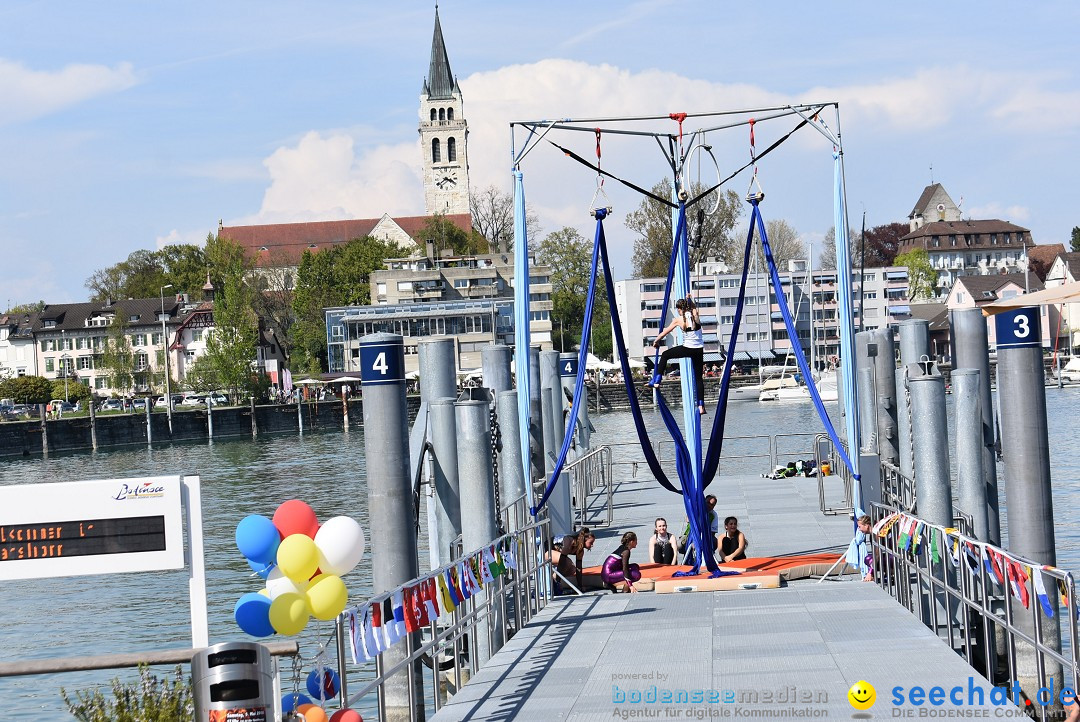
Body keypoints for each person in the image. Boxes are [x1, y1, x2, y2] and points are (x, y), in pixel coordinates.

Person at [648, 293, 707, 415]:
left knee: (665, 355)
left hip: (687, 348)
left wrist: (656, 341)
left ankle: (657, 380)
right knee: (698, 379)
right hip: (699, 350)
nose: (678, 312)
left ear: (680, 309)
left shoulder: (678, 320)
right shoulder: (696, 314)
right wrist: (689, 299)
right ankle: (701, 406)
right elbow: (694, 307)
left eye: (678, 310)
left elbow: (665, 332)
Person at [680, 495, 720, 566]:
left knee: (714, 542)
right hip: (690, 535)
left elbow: (712, 532)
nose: (709, 505)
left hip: (706, 536)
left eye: (712, 505)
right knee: (679, 544)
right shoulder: (695, 510)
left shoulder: (713, 515)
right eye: (708, 503)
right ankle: (688, 560)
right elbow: (688, 519)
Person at [856, 514, 874, 582]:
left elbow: (877, 555)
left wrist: (870, 572)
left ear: (866, 525)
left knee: (868, 559)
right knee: (867, 559)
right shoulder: (872, 535)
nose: (859, 530)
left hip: (893, 557)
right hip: (891, 555)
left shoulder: (875, 535)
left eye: (860, 527)